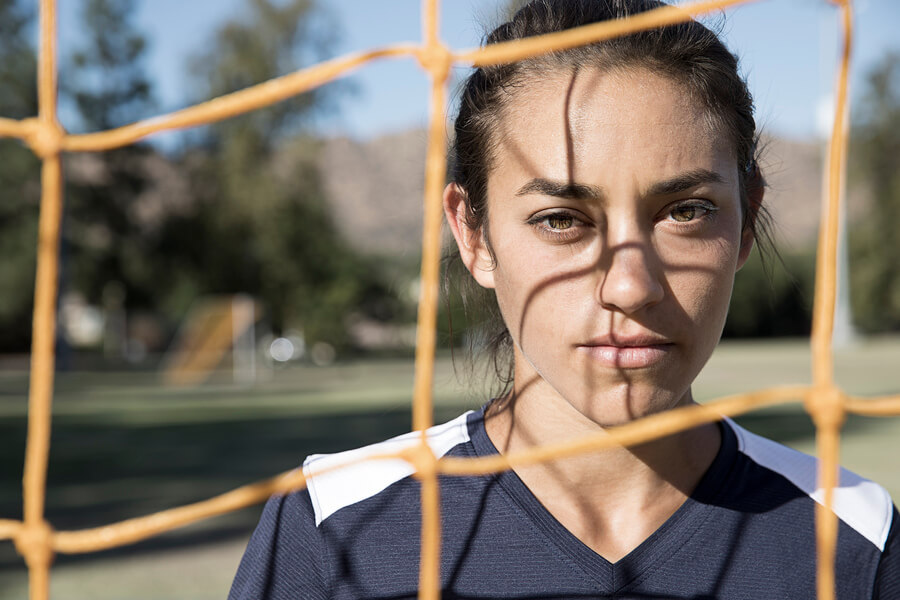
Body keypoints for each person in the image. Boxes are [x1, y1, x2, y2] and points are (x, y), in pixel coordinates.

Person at [228, 1, 899, 598]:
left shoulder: (852, 536)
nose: (630, 286)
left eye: (686, 211)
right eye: (562, 219)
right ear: (473, 233)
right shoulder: (335, 528)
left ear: (747, 220)